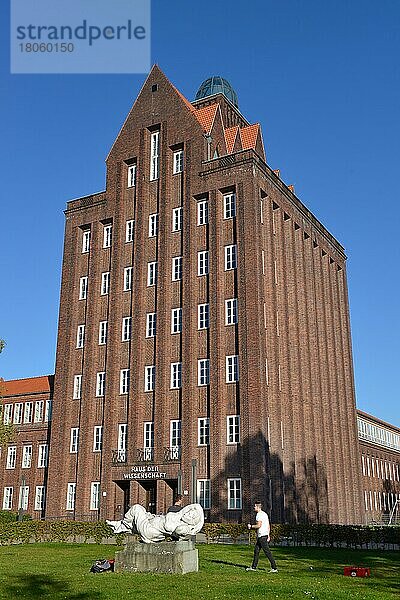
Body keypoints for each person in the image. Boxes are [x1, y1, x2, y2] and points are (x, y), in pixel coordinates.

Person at [246, 502, 278, 572]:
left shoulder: (259, 515)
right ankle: (253, 567)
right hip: (264, 535)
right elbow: (268, 525)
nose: (254, 508)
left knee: (267, 552)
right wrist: (268, 535)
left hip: (262, 536)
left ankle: (274, 568)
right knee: (256, 551)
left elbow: (258, 525)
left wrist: (250, 526)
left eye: (254, 506)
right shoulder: (264, 514)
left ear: (258, 507)